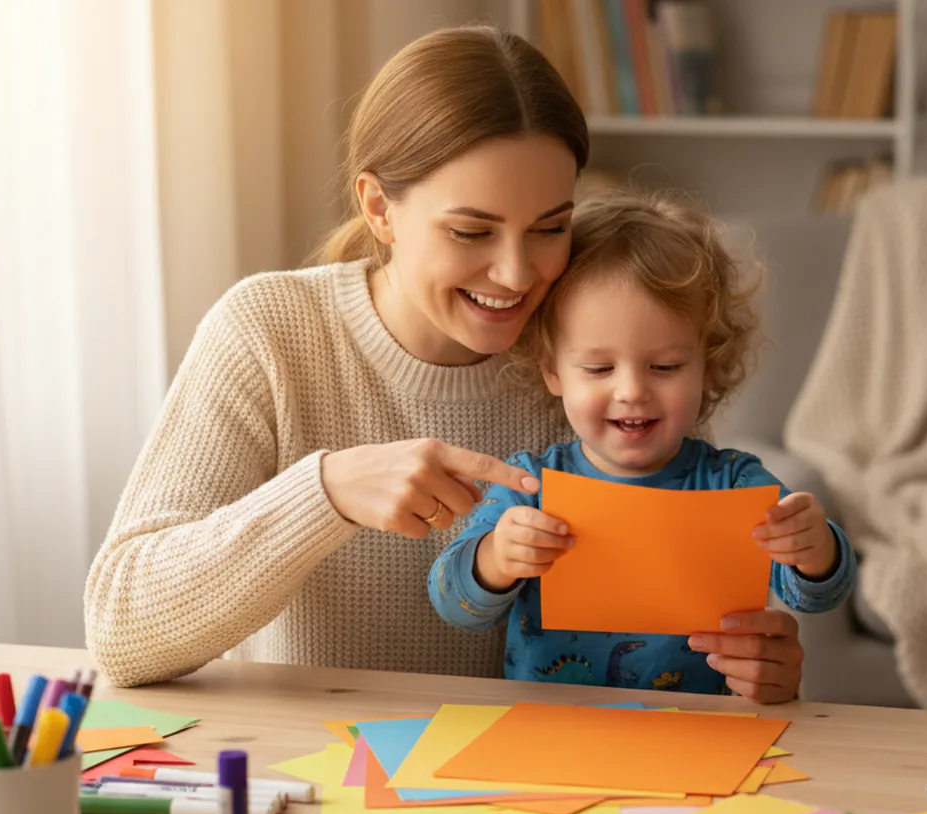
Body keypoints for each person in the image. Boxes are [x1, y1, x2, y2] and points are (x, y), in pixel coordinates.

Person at [84, 26, 810, 702]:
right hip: (318, 779)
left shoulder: (593, 354)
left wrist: (751, 663)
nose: (517, 273)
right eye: (471, 230)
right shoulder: (269, 332)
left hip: (536, 777)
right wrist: (325, 491)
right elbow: (121, 632)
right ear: (379, 208)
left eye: (550, 227)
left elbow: (678, 605)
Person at [429, 191, 856, 699]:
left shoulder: (734, 482)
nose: (632, 391)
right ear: (552, 370)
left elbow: (817, 594)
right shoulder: (530, 485)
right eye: (599, 368)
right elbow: (453, 604)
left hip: (702, 732)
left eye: (665, 366)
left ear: (707, 368)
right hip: (553, 734)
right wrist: (495, 559)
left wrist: (817, 548)